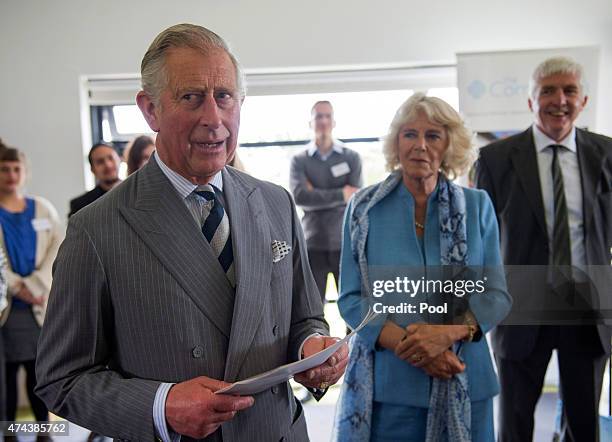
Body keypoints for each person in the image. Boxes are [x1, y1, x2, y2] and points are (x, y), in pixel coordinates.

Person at [35, 23, 348, 441]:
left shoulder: (275, 203)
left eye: (224, 97)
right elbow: (62, 378)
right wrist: (161, 405)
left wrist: (312, 348)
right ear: (150, 110)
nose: (213, 119)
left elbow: (305, 316)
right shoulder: (97, 228)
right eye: (191, 97)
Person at [334, 93, 511, 441]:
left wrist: (447, 333)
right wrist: (416, 349)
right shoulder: (363, 209)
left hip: (466, 377)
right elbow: (351, 300)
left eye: (433, 135)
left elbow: (497, 296)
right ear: (396, 143)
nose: (420, 145)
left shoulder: (477, 206)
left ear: (449, 145)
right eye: (409, 134)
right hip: (390, 387)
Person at [475, 56, 612, 441]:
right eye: (548, 90)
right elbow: (481, 242)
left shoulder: (606, 154)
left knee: (584, 427)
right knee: (515, 425)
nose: (560, 99)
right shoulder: (496, 158)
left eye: (570, 90)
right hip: (522, 312)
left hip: (587, 311)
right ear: (531, 101)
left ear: (583, 100)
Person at [0, 147, 62, 433]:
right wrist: (16, 286)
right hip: (8, 309)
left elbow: (56, 248)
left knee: (39, 374)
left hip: (40, 304)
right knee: (7, 375)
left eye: (16, 169)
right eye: (4, 169)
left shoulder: (42, 209)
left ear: (25, 172)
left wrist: (36, 285)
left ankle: (44, 430)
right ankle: (9, 431)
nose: (11, 175)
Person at [290, 101, 362, 303]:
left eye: (327, 116)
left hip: (344, 243)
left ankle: (352, 338)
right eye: (318, 116)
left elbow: (355, 198)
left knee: (352, 306)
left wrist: (316, 194)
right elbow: (300, 197)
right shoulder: (300, 160)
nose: (323, 120)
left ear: (334, 121)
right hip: (312, 244)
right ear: (310, 122)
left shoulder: (352, 158)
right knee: (312, 307)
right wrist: (341, 194)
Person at [68, 142, 122, 217]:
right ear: (92, 169)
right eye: (100, 161)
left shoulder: (135, 193)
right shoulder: (80, 206)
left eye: (111, 158)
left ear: (120, 159)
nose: (108, 165)